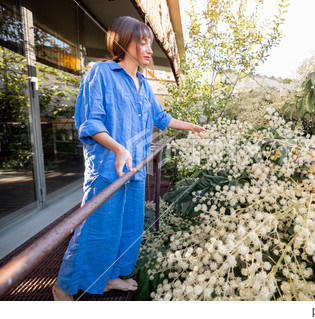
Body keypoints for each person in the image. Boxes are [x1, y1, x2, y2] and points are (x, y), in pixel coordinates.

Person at [52, 16, 206, 301]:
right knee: (95, 229)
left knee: (124, 229)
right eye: (143, 42)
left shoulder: (143, 84)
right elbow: (90, 122)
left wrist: (192, 127)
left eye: (150, 42)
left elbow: (161, 117)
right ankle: (63, 285)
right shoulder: (100, 73)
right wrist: (118, 148)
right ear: (124, 42)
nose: (149, 49)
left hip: (134, 170)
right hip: (107, 170)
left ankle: (107, 279)